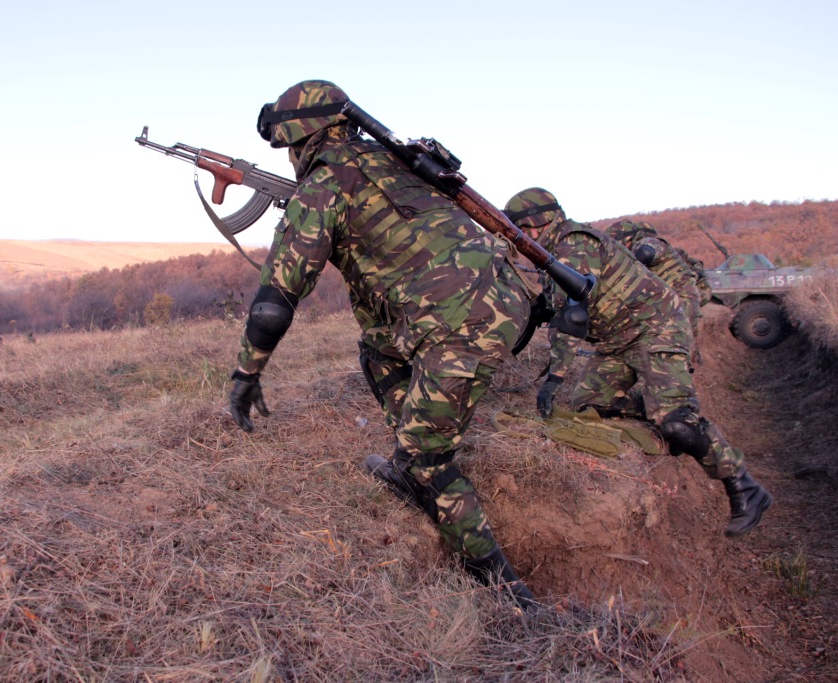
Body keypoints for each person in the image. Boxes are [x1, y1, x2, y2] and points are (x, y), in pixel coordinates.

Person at [227, 79, 540, 606]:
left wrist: (245, 374)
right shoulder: (398, 160)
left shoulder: (324, 184)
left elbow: (273, 302)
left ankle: (510, 593)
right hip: (508, 299)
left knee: (427, 459)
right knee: (377, 349)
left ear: (301, 139)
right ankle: (410, 460)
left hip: (457, 326)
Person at [504, 188, 772, 537]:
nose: (521, 237)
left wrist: (555, 376)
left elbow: (574, 314)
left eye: (521, 228)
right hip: (618, 339)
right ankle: (662, 407)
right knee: (589, 403)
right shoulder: (554, 253)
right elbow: (559, 302)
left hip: (656, 329)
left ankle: (744, 485)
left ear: (537, 223)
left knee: (677, 424)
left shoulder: (574, 244)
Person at [604, 220, 705, 335]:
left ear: (630, 239)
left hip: (680, 302)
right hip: (666, 304)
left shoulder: (650, 243)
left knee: (671, 344)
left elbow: (646, 253)